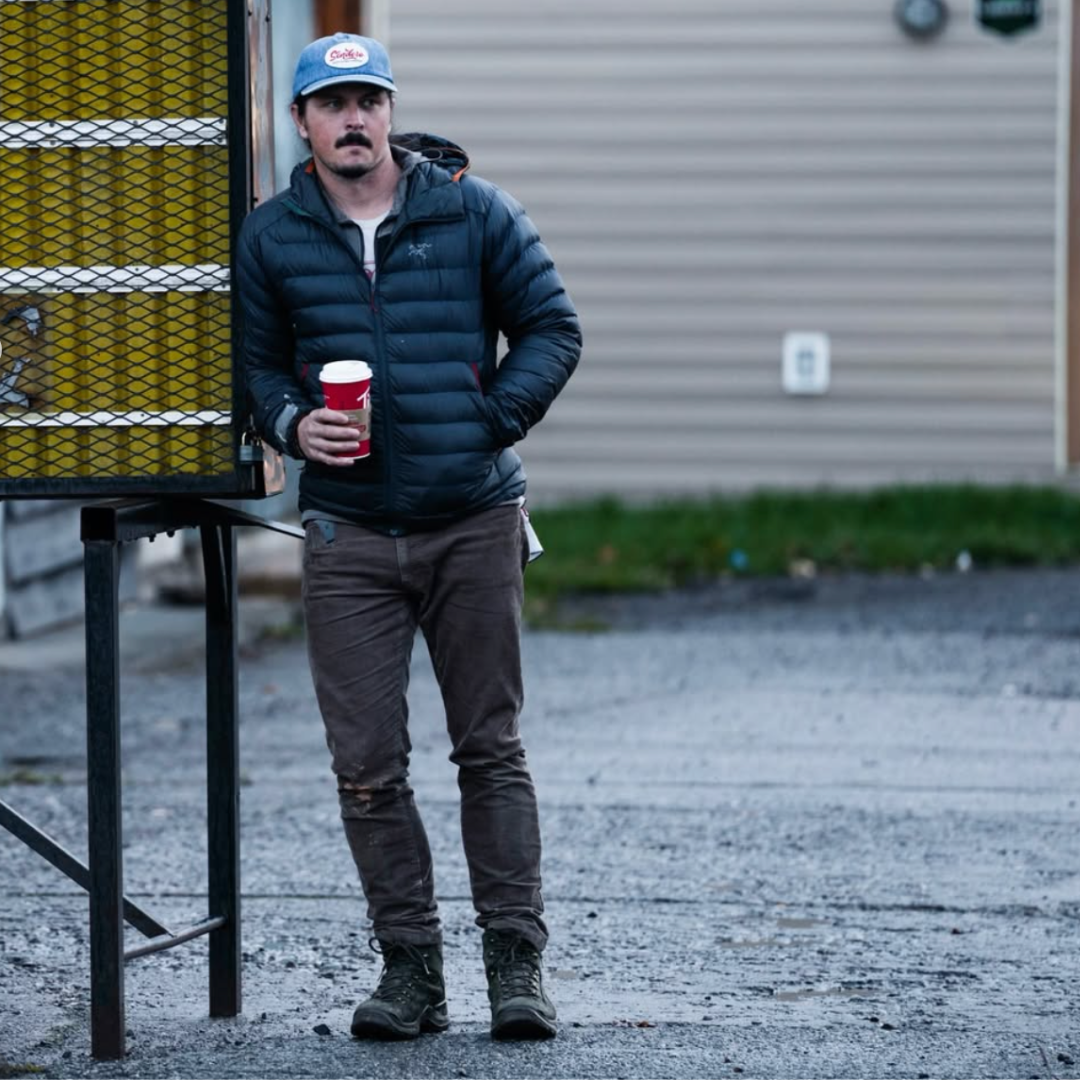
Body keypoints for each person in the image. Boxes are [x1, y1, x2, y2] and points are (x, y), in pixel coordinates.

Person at [235, 33, 581, 1041]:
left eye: (369, 100)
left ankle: (517, 971)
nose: (354, 120)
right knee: (366, 766)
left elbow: (553, 329)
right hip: (346, 532)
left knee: (490, 750)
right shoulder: (272, 236)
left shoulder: (473, 211)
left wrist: (488, 418)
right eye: (333, 103)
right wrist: (296, 423)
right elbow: (258, 373)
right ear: (301, 122)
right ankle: (412, 974)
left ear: (390, 112)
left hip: (470, 519)